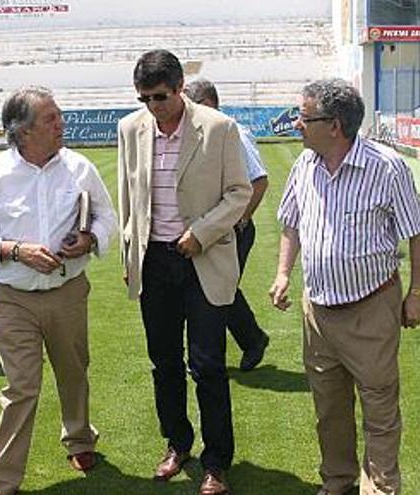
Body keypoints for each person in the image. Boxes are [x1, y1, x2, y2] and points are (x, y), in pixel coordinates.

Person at [270, 78, 420, 495]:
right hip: (317, 310)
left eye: (304, 118)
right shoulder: (304, 166)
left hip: (371, 308)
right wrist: (284, 273)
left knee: (379, 405)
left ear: (335, 125)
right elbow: (291, 223)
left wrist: (416, 294)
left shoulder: (387, 167)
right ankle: (338, 482)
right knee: (330, 408)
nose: (297, 125)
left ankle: (380, 487)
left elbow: (418, 232)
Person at [0, 86, 116, 495]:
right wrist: (15, 251)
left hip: (67, 292)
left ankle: (80, 440)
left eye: (59, 115)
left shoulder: (79, 167)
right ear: (23, 131)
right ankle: (2, 480)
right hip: (13, 298)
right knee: (21, 388)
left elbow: (107, 218)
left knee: (73, 372)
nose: (60, 123)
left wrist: (90, 240)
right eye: (51, 118)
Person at [118, 50, 252, 495]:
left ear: (179, 88)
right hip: (153, 261)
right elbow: (128, 201)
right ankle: (177, 443)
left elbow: (239, 192)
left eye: (159, 97)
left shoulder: (218, 128)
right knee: (164, 362)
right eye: (144, 99)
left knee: (208, 364)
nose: (153, 107)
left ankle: (217, 462)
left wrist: (202, 232)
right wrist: (129, 257)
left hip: (203, 258)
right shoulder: (129, 129)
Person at [183, 78, 271, 372]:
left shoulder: (233, 133)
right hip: (207, 229)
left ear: (211, 104)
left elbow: (258, 181)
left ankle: (237, 346)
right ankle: (248, 341)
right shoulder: (198, 134)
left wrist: (239, 221)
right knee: (215, 288)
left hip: (231, 230)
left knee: (217, 290)